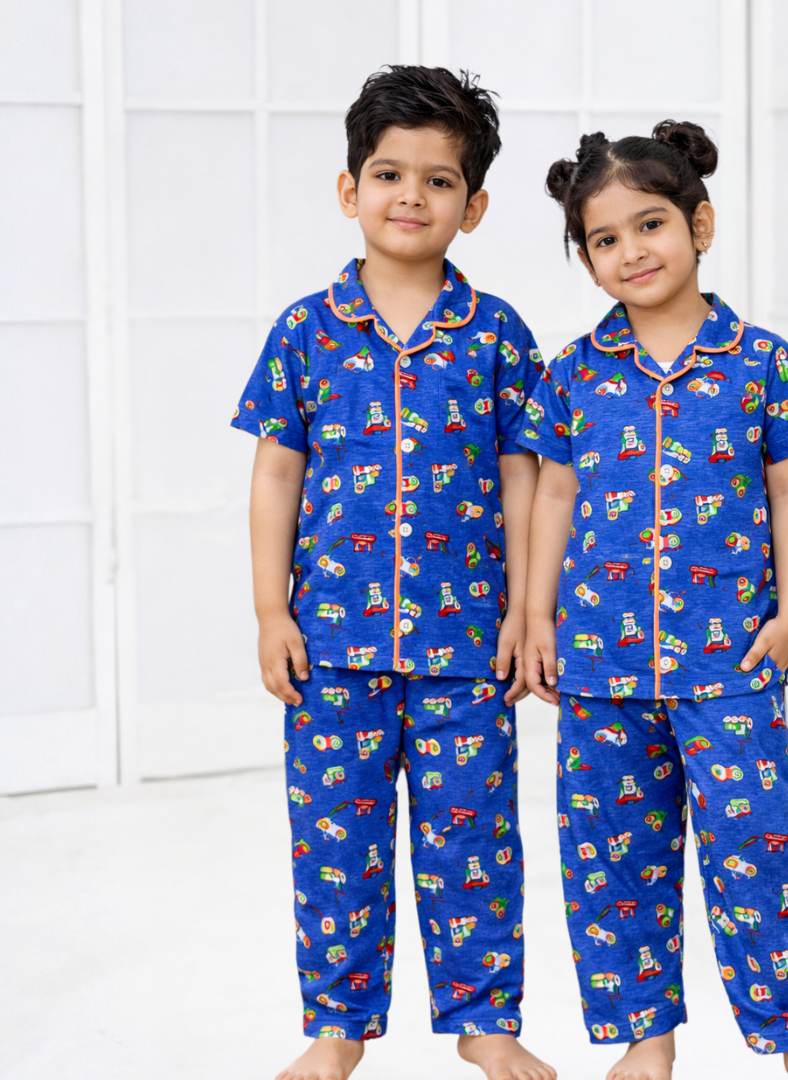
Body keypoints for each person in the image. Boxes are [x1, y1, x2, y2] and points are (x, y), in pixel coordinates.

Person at [232, 65, 555, 1080]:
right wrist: (270, 612)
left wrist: (527, 611)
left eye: (439, 180)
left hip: (469, 649)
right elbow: (275, 473)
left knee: (476, 846)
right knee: (336, 847)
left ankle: (485, 1021)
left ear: (474, 206)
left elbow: (526, 478)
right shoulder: (305, 330)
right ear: (349, 189)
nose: (411, 195)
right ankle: (336, 1028)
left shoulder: (498, 334)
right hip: (332, 646)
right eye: (388, 173)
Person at [518, 122, 788, 1080]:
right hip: (601, 665)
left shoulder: (763, 362)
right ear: (586, 260)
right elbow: (553, 495)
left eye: (651, 224)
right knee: (612, 859)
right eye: (604, 239)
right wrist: (536, 616)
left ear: (699, 225)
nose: (631, 251)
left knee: (756, 849)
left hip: (730, 663)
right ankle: (645, 1038)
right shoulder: (571, 374)